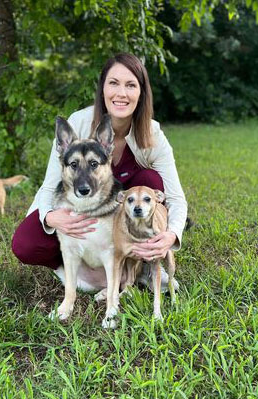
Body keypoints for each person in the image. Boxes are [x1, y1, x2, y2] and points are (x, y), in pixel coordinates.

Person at [12, 52, 187, 292]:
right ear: (102, 89)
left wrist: (171, 236)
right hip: (82, 208)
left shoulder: (152, 134)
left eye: (131, 85)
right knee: (26, 243)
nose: (121, 93)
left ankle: (144, 266)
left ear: (141, 92)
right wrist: (50, 217)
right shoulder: (78, 123)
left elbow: (176, 198)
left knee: (150, 180)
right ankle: (80, 270)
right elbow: (49, 185)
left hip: (122, 209)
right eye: (113, 83)